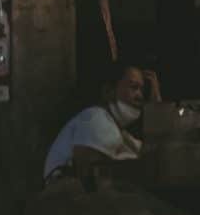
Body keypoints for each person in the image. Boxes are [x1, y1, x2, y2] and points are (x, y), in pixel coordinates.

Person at [43, 58, 158, 186]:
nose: (140, 96)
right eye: (134, 87)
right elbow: (89, 176)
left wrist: (157, 107)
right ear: (109, 91)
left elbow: (158, 156)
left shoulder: (119, 131)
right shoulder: (95, 118)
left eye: (142, 90)